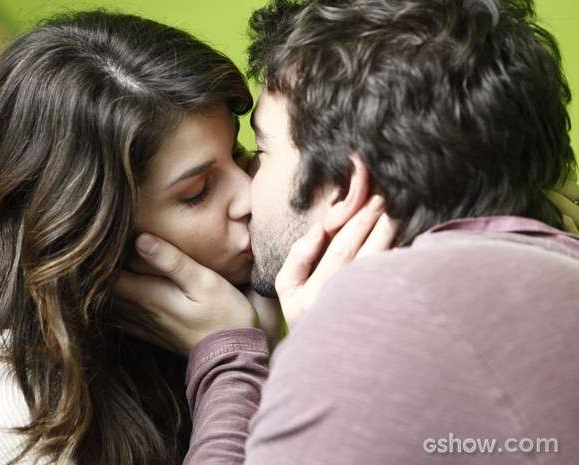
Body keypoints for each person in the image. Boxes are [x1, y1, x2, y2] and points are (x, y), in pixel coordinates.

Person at [115, 0, 579, 464]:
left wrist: (241, 357)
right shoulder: (543, 262)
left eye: (260, 149)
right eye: (199, 191)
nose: (249, 189)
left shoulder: (380, 315)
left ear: (344, 186)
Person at [0, 10, 282, 465]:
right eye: (197, 192)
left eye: (238, 151)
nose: (249, 194)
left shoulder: (250, 299)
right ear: (91, 234)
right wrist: (233, 360)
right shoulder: (3, 404)